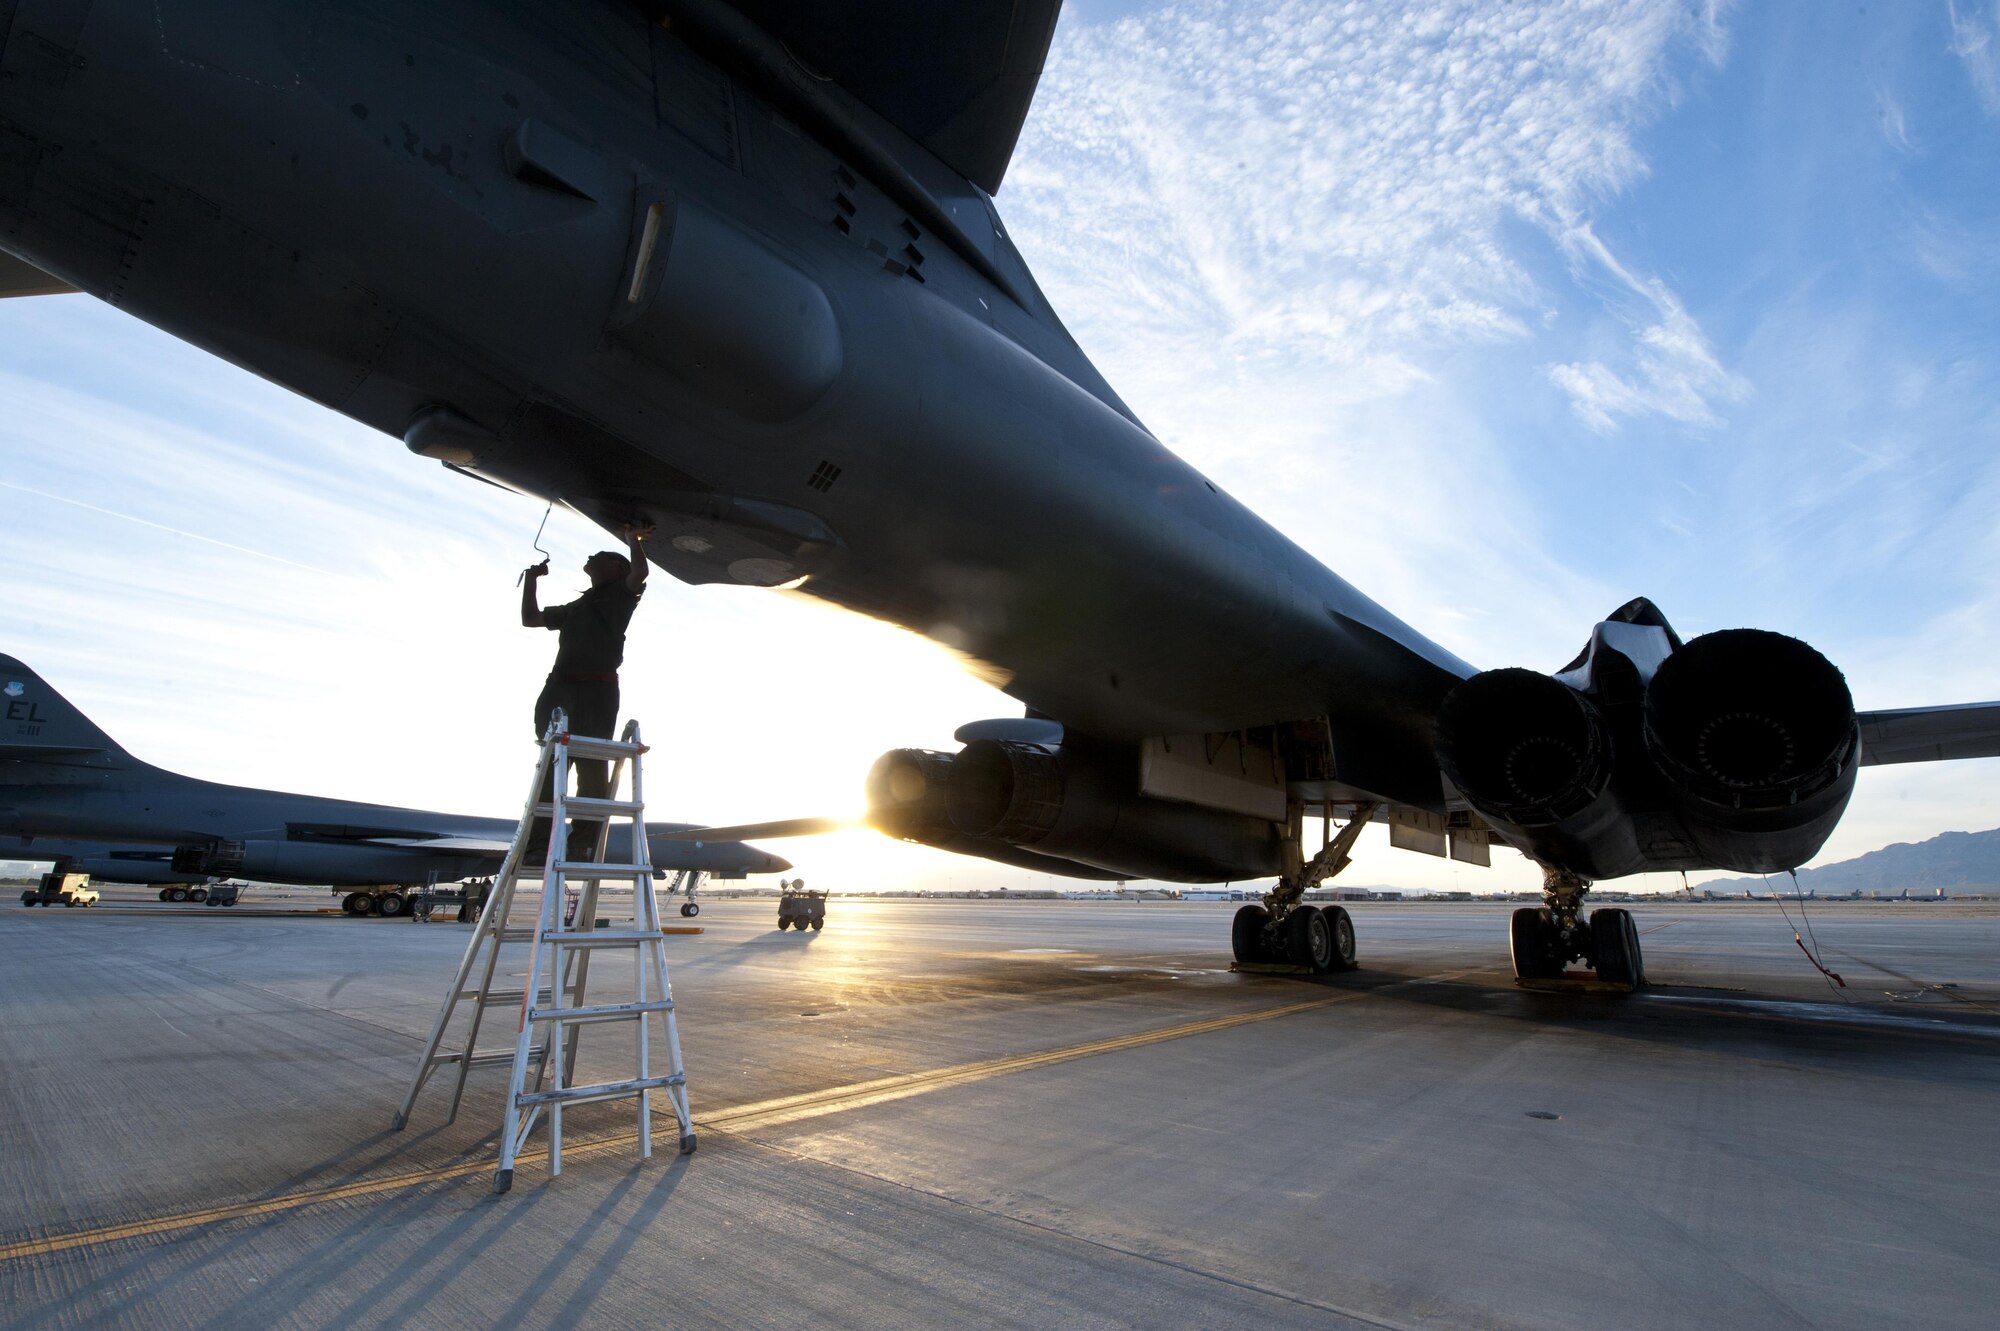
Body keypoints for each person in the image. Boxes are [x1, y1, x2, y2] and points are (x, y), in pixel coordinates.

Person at [521, 524, 652, 861]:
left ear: (617, 568)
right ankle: (539, 846)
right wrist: (531, 580)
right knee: (552, 767)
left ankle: (582, 842)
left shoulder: (620, 596)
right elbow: (531, 618)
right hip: (560, 689)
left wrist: (632, 540)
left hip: (597, 691)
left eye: (603, 556)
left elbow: (640, 569)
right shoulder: (577, 607)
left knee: (591, 767)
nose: (592, 556)